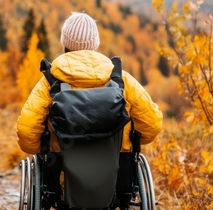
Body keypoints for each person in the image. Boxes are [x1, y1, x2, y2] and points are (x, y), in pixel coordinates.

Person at [17, 11, 163, 207]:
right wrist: (129, 142)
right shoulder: (121, 80)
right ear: (94, 44)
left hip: (61, 181)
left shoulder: (49, 83)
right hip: (117, 179)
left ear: (65, 43)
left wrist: (42, 148)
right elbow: (152, 125)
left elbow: (27, 134)